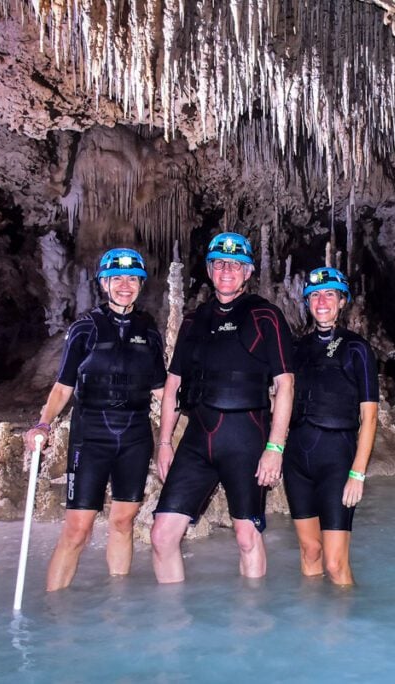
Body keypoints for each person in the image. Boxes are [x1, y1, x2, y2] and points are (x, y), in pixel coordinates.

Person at [151, 231, 294, 582]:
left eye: (236, 264)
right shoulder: (192, 320)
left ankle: (252, 625)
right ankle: (171, 629)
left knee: (247, 537)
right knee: (161, 536)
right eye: (219, 263)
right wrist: (165, 442)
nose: (226, 270)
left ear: (247, 272)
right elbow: (173, 385)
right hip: (198, 440)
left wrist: (275, 448)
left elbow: (285, 384)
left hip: (246, 438)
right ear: (210, 270)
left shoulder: (265, 316)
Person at [24, 247, 166, 591]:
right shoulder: (85, 329)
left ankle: (119, 605)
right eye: (116, 278)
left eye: (132, 278)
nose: (124, 285)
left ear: (140, 284)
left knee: (123, 521)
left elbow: (162, 390)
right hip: (91, 436)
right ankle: (54, 608)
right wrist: (43, 423)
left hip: (134, 435)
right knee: (78, 528)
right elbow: (62, 387)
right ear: (103, 283)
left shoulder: (149, 331)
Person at [283, 267, 378, 585]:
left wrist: (358, 472)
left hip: (337, 460)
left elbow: (370, 417)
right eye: (315, 295)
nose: (322, 301)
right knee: (310, 552)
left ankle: (345, 630)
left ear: (341, 301)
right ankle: (311, 628)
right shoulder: (296, 348)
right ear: (308, 302)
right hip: (297, 460)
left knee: (336, 564)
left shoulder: (357, 349)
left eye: (329, 295)